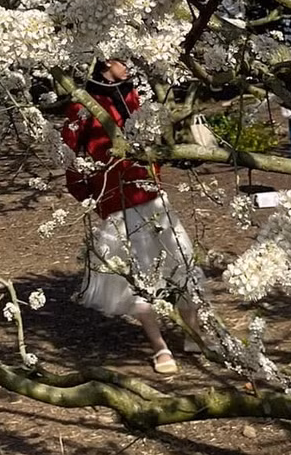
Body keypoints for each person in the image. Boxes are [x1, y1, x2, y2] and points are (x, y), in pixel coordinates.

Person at [61, 58, 205, 376]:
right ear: (103, 63)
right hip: (119, 203)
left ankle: (193, 332)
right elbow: (67, 155)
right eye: (120, 60)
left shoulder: (133, 94)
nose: (128, 65)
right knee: (140, 276)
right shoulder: (82, 106)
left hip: (152, 194)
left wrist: (155, 168)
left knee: (181, 259)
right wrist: (90, 195)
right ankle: (160, 347)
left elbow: (152, 138)